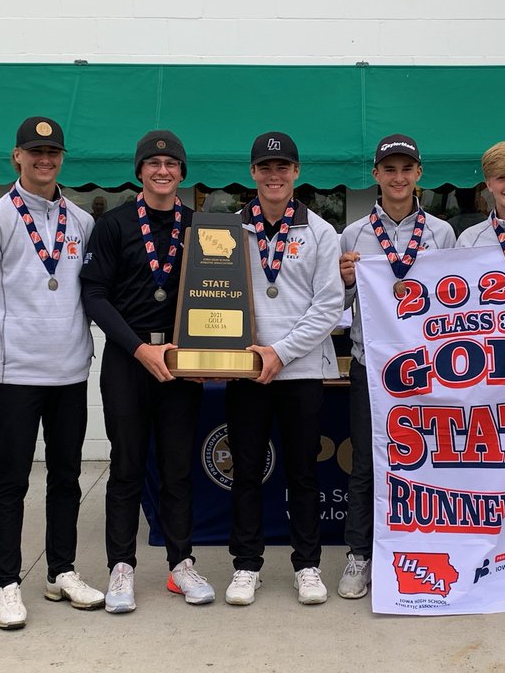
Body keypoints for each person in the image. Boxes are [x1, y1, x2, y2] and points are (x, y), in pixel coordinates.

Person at [0, 116, 103, 629]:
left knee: (66, 477)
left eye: (53, 153)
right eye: (34, 152)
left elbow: (88, 293)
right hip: (15, 375)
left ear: (62, 158)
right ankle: (6, 583)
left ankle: (61, 570)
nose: (45, 160)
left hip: (67, 371)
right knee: (11, 481)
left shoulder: (81, 221)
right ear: (16, 156)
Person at [80, 130, 214, 612]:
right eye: (153, 163)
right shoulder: (113, 225)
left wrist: (209, 355)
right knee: (127, 466)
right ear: (139, 171)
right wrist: (139, 349)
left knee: (179, 467)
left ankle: (181, 564)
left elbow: (220, 295)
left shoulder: (201, 227)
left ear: (182, 172)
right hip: (129, 360)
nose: (162, 171)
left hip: (180, 362)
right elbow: (94, 295)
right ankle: (122, 567)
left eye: (171, 164)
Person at [223, 131, 345, 606]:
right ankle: (246, 565)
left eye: (283, 167)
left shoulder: (320, 232)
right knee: (247, 470)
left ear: (296, 173)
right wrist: (250, 353)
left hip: (299, 371)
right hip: (246, 369)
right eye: (265, 168)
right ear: (253, 173)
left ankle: (308, 565)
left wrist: (280, 352)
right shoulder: (229, 230)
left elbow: (328, 306)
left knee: (303, 473)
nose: (275, 176)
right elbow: (217, 296)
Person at [336, 134, 457, 598]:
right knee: (366, 465)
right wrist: (347, 282)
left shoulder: (442, 233)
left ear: (419, 174)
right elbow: (339, 304)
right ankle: (359, 556)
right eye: (390, 169)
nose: (398, 177)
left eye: (407, 169)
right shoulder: (354, 233)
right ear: (376, 176)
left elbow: (454, 304)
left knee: (425, 464)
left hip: (428, 369)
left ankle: (420, 547)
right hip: (371, 365)